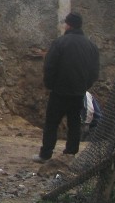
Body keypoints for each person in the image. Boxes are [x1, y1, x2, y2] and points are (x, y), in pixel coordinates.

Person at [34, 12, 100, 163]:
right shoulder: (91, 46)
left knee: (52, 123)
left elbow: (50, 66)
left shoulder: (60, 43)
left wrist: (50, 85)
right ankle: (70, 153)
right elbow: (94, 72)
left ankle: (45, 154)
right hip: (78, 93)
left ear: (68, 25)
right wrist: (84, 86)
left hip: (59, 91)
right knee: (75, 123)